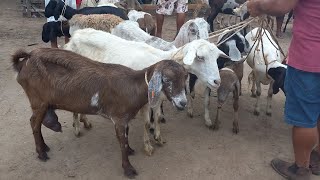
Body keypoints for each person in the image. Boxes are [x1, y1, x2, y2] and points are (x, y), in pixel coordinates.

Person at [248, 0, 320, 179]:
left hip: (310, 59)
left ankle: (300, 169)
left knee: (304, 117)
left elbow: (280, 4)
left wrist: (256, 5)